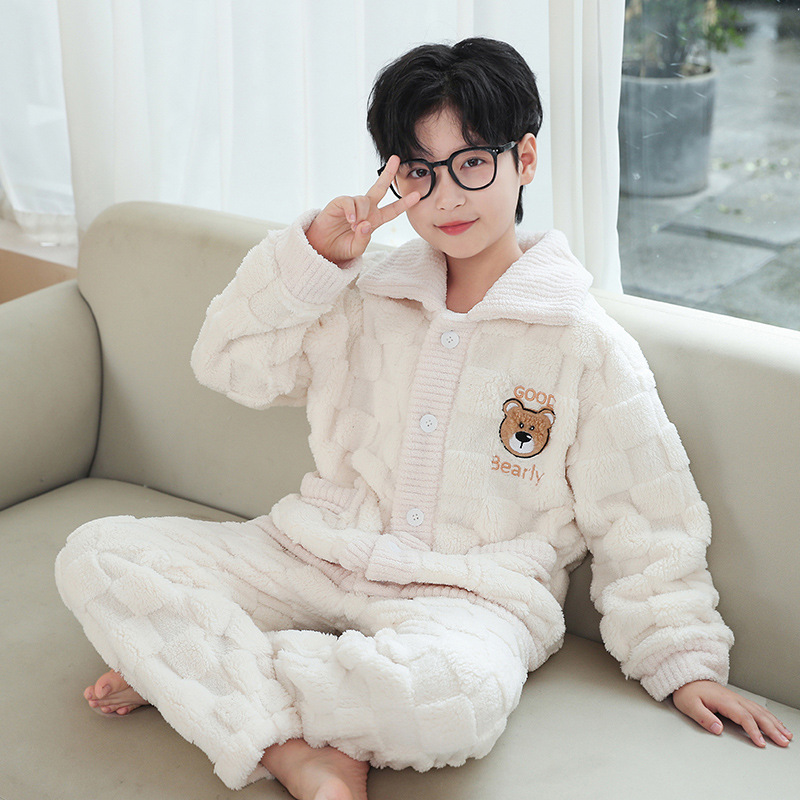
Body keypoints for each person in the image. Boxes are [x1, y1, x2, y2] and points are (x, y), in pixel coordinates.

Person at [55, 37, 791, 800]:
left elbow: (646, 516)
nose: (445, 199)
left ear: (525, 158)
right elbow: (229, 364)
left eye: (471, 163)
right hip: (311, 553)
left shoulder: (582, 345)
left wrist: (683, 662)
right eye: (418, 171)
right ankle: (286, 737)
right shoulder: (361, 294)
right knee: (100, 554)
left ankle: (199, 675)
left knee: (455, 701)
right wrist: (317, 257)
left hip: (469, 600)